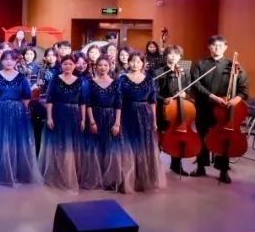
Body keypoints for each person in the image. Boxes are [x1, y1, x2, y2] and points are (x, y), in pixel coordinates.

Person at [190, 35, 248, 184]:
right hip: (204, 106)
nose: (217, 48)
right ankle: (201, 166)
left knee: (224, 139)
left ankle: (223, 170)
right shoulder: (200, 64)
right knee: (202, 136)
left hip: (224, 110)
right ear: (209, 47)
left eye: (220, 45)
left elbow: (243, 89)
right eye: (214, 45)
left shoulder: (233, 65)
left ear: (225, 47)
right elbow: (196, 84)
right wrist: (213, 97)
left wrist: (235, 100)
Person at [0, 50, 40, 185]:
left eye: (12, 59)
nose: (9, 61)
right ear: (1, 61)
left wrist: (25, 112)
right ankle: (1, 172)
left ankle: (17, 172)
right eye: (6, 59)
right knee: (1, 141)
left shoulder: (21, 77)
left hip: (18, 112)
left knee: (16, 141)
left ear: (16, 61)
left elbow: (27, 97)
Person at [119, 52, 165, 192]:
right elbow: (118, 101)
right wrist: (117, 120)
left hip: (145, 116)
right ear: (128, 63)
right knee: (128, 147)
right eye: (132, 61)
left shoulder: (149, 80)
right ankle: (128, 181)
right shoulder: (122, 79)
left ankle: (144, 180)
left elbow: (152, 101)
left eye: (138, 61)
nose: (135, 64)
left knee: (144, 146)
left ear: (143, 64)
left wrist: (154, 121)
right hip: (127, 115)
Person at [40, 54, 83, 191]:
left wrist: (83, 119)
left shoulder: (80, 81)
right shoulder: (55, 79)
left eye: (71, 64)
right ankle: (56, 175)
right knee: (58, 144)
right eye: (65, 64)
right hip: (58, 113)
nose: (68, 66)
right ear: (61, 65)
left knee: (71, 145)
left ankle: (69, 176)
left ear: (75, 65)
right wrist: (50, 117)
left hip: (74, 115)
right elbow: (50, 100)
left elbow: (83, 102)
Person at [86, 56, 128, 192]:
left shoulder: (116, 83)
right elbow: (88, 104)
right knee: (96, 147)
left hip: (111, 117)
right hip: (96, 116)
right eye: (100, 65)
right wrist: (92, 121)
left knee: (111, 149)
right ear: (96, 67)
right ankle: (96, 178)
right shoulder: (90, 83)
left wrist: (117, 123)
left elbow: (118, 104)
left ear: (110, 67)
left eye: (105, 65)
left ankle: (110, 179)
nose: (103, 68)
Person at [157, 45, 189, 176]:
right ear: (166, 56)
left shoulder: (184, 72)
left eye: (176, 54)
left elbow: (189, 89)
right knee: (160, 137)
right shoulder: (158, 72)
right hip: (162, 109)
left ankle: (176, 164)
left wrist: (185, 94)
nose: (173, 56)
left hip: (178, 110)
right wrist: (163, 99)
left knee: (177, 136)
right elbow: (154, 92)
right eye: (170, 54)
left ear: (180, 57)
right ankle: (155, 166)